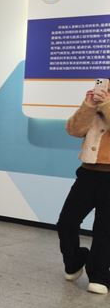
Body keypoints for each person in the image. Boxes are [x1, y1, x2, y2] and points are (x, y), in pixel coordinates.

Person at [56, 82, 110, 295]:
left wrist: (105, 104)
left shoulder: (105, 101)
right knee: (66, 222)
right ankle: (75, 261)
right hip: (88, 172)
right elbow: (73, 130)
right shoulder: (100, 97)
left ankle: (99, 276)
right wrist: (88, 105)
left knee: (104, 230)